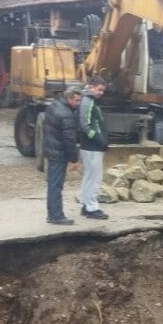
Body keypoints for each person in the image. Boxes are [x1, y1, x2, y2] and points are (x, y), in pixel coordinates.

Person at [43, 86, 82, 225]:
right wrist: (74, 159)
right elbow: (69, 139)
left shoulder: (54, 106)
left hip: (52, 150)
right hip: (59, 153)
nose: (79, 103)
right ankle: (56, 215)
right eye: (77, 100)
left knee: (53, 184)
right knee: (56, 186)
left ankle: (52, 214)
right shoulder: (66, 114)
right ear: (69, 98)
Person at [78, 76, 109, 219]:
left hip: (90, 146)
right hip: (92, 146)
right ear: (92, 87)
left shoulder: (90, 100)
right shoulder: (88, 101)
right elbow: (85, 124)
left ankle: (86, 204)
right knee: (95, 177)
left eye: (103, 90)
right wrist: (99, 140)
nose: (101, 93)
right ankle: (92, 208)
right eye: (99, 89)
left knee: (89, 176)